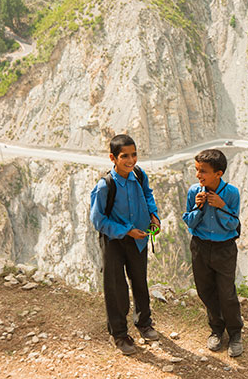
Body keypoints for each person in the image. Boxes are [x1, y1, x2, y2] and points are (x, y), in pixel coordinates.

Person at [89, 134, 161, 355]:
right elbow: (98, 220)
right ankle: (119, 334)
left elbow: (148, 195)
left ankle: (144, 323)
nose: (131, 160)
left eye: (134, 154)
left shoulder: (139, 175)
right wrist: (126, 230)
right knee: (116, 287)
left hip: (138, 239)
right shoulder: (105, 186)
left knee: (140, 281)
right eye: (124, 156)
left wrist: (153, 215)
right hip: (114, 242)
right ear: (113, 157)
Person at [182, 148, 243, 357]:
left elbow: (233, 225)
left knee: (226, 292)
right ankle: (216, 329)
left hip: (224, 248)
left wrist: (221, 206)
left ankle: (235, 332)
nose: (198, 175)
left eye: (203, 171)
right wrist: (198, 208)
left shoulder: (231, 193)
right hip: (200, 246)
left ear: (218, 174)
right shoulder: (193, 191)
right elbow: (189, 223)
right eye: (197, 170)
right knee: (205, 290)